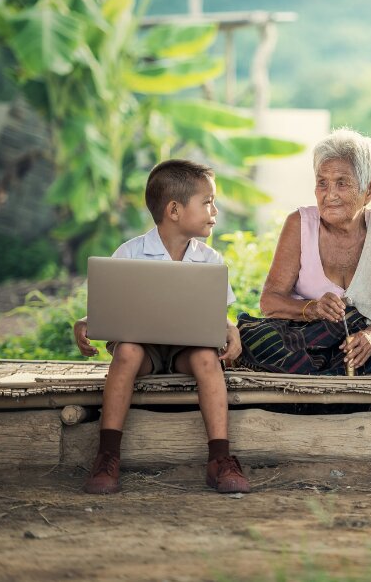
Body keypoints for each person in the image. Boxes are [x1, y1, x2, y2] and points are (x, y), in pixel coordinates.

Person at [73, 159, 250, 494]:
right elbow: (110, 307)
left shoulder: (210, 260)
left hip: (187, 349)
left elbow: (217, 312)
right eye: (208, 202)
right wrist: (85, 323)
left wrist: (230, 326)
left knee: (205, 358)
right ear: (174, 210)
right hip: (145, 352)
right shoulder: (130, 253)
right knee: (126, 350)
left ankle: (220, 458)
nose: (215, 210)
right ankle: (107, 456)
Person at [235, 128, 371, 376]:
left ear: (368, 191)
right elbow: (269, 301)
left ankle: (312, 387)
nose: (330, 194)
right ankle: (337, 387)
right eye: (322, 183)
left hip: (354, 347)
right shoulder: (300, 224)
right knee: (256, 339)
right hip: (302, 340)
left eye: (342, 183)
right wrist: (312, 309)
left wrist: (370, 336)